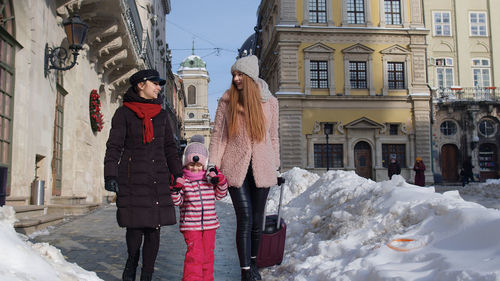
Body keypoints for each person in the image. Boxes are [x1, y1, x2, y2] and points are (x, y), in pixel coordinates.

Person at [103, 69, 184, 281]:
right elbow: (114, 146)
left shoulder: (162, 114)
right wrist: (110, 174)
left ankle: (147, 274)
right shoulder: (124, 113)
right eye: (155, 83)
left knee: (154, 228)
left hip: (157, 177)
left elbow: (169, 147)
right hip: (131, 177)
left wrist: (177, 173)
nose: (159, 87)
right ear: (141, 85)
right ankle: (131, 262)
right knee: (135, 226)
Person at [208, 55, 280, 281]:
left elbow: (273, 137)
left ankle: (254, 264)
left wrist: (276, 165)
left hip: (262, 167)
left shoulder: (270, 102)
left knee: (257, 220)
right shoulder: (227, 100)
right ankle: (245, 271)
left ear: (250, 77)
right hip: (234, 168)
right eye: (234, 75)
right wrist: (213, 166)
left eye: (240, 74)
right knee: (246, 218)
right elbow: (218, 137)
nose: (236, 78)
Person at [170, 135, 228, 281]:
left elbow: (220, 195)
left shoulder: (208, 180)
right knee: (195, 256)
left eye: (198, 165)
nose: (195, 168)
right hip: (191, 225)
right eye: (191, 165)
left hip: (210, 225)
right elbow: (178, 202)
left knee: (208, 255)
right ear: (185, 163)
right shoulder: (184, 181)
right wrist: (175, 190)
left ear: (204, 164)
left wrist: (220, 181)